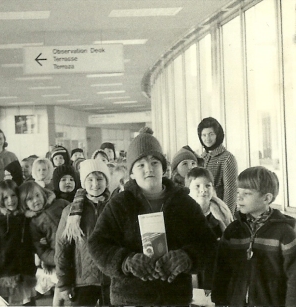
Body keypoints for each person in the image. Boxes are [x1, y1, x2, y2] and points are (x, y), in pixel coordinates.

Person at [87, 131, 218, 306]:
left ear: (163, 168)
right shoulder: (120, 203)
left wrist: (187, 257)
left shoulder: (184, 203)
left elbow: (207, 243)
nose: (149, 168)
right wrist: (126, 261)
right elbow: (97, 244)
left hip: (175, 297)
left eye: (154, 162)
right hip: (131, 298)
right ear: (131, 173)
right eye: (140, 165)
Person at [212, 166, 296, 306]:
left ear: (266, 198)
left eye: (247, 193)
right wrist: (219, 300)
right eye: (238, 191)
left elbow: (294, 278)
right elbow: (222, 269)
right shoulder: (233, 231)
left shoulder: (285, 234)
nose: (239, 197)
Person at [55, 159, 112, 306]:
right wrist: (64, 283)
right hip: (83, 281)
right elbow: (62, 248)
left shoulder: (115, 207)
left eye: (100, 178)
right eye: (90, 179)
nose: (95, 184)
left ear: (107, 180)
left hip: (111, 279)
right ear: (83, 182)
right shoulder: (70, 212)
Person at [0, 180, 37, 306]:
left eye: (13, 195)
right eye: (5, 197)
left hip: (25, 275)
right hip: (4, 277)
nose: (10, 200)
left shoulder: (25, 219)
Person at [18, 181, 69, 306]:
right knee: (61, 288)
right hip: (59, 258)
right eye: (29, 199)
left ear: (44, 194)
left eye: (37, 195)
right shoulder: (34, 223)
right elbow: (41, 250)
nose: (35, 200)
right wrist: (55, 259)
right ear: (24, 204)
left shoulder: (61, 204)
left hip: (79, 250)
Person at [185, 167, 233, 290]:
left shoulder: (221, 211)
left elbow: (228, 233)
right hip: (194, 264)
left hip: (217, 265)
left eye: (208, 186)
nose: (203, 190)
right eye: (197, 186)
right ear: (188, 189)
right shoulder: (184, 213)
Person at [197, 117, 238, 214]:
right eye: (204, 135)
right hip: (202, 211)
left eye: (211, 134)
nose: (207, 138)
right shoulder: (201, 157)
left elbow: (230, 191)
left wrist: (227, 217)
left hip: (219, 212)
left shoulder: (227, 158)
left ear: (217, 135)